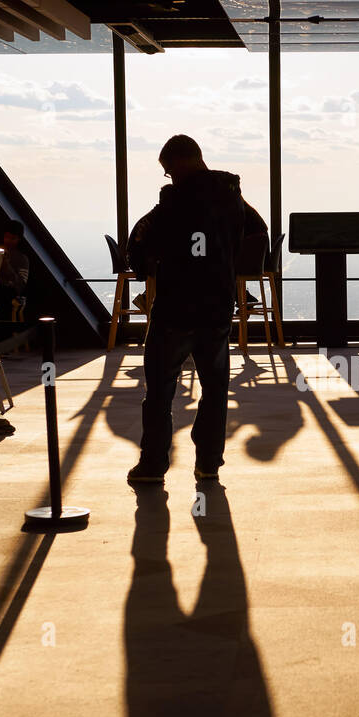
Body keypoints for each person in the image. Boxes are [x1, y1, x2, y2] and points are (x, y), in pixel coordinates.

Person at [127, 135, 247, 484]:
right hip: (217, 308)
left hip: (175, 309)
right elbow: (244, 241)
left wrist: (145, 265)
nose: (169, 177)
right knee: (214, 390)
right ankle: (208, 463)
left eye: (168, 171)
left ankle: (153, 465)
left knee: (161, 391)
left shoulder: (174, 200)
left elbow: (143, 240)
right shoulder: (233, 196)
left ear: (183, 161)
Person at [0, 219, 30, 320]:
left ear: (19, 239)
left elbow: (20, 286)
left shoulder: (22, 259)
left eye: (13, 238)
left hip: (7, 295)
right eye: (7, 237)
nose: (8, 241)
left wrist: (7, 266)